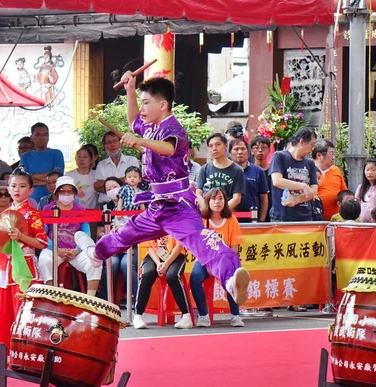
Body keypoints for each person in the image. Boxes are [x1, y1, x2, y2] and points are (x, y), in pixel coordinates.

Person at [75, 74, 249, 306]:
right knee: (124, 233)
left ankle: (230, 280)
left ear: (163, 104)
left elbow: (167, 149)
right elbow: (133, 121)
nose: (142, 107)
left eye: (146, 102)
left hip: (178, 205)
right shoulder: (149, 127)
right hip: (157, 204)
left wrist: (141, 142)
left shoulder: (174, 129)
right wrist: (130, 89)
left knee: (202, 241)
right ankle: (96, 255)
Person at [0, 168, 47, 366]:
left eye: (22, 186)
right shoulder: (6, 214)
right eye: (14, 186)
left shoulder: (32, 214)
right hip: (6, 266)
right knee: (3, 312)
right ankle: (0, 353)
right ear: (8, 188)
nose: (17, 190)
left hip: (25, 267)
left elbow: (42, 243)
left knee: (25, 313)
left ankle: (25, 355)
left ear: (31, 190)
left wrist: (22, 237)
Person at [39, 176, 102, 296]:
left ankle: (90, 298)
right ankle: (51, 294)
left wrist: (76, 250)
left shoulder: (80, 209)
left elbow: (86, 234)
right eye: (62, 191)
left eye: (70, 190)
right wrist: (56, 249)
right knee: (44, 260)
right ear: (57, 192)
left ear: (74, 193)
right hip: (54, 249)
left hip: (75, 251)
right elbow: (43, 233)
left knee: (95, 262)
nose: (66, 193)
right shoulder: (48, 209)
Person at [190, 188, 245, 328]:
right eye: (214, 199)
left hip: (225, 260)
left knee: (233, 279)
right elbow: (198, 247)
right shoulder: (202, 220)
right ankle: (203, 315)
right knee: (195, 278)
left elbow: (234, 248)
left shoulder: (231, 220)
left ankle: (235, 316)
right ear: (208, 202)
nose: (217, 202)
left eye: (221, 198)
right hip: (205, 260)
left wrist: (226, 264)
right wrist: (209, 265)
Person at [132, 236, 192, 329]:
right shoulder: (151, 223)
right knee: (147, 274)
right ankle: (138, 315)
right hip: (154, 256)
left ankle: (186, 316)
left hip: (175, 255)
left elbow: (179, 245)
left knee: (172, 276)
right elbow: (149, 247)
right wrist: (158, 263)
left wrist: (167, 263)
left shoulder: (178, 222)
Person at [269, 127, 319, 222]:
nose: (312, 149)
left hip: (305, 216)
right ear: (302, 141)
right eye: (311, 145)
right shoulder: (279, 156)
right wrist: (303, 186)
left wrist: (297, 200)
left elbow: (314, 190)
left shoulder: (310, 163)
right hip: (282, 217)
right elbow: (277, 181)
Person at [196, 133, 244, 210]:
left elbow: (237, 198)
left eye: (218, 144)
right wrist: (207, 210)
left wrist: (220, 212)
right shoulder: (204, 169)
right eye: (211, 146)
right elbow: (198, 193)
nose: (214, 148)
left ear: (226, 145)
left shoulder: (237, 170)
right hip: (208, 215)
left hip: (227, 213)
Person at [20, 122, 65, 203]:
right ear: (31, 137)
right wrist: (49, 182)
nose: (42, 138)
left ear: (48, 137)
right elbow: (22, 180)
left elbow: (57, 179)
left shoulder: (56, 154)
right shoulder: (25, 156)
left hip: (54, 202)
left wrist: (31, 177)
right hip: (30, 202)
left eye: (45, 135)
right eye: (38, 135)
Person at [94, 131, 140, 206]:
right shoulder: (101, 165)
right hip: (106, 205)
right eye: (108, 142)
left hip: (129, 204)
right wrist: (124, 181)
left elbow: (134, 181)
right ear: (105, 146)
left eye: (115, 141)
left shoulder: (132, 160)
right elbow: (97, 186)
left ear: (120, 143)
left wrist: (108, 186)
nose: (112, 145)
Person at [230, 138, 269, 222]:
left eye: (243, 149)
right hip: (229, 220)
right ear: (230, 152)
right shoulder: (225, 171)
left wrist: (261, 221)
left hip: (252, 221)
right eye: (236, 149)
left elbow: (264, 199)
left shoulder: (258, 171)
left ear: (248, 152)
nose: (240, 152)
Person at [314, 140, 347, 221]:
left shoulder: (336, 170)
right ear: (319, 155)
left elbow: (344, 192)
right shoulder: (309, 170)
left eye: (334, 154)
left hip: (334, 220)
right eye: (331, 153)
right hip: (314, 220)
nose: (333, 157)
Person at [355, 158, 376, 223]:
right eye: (367, 170)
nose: (369, 172)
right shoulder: (361, 188)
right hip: (363, 224)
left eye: (373, 170)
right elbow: (357, 204)